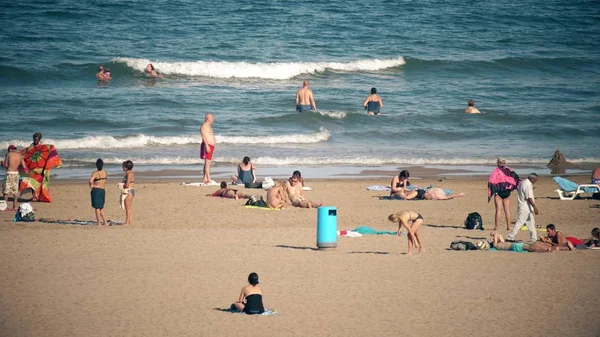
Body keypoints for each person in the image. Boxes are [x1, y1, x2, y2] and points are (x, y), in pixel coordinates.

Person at [488, 157, 520, 230]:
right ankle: (508, 226)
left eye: (497, 162)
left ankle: (496, 227)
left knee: (498, 210)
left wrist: (493, 192)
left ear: (499, 163)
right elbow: (516, 179)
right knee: (507, 210)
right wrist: (511, 188)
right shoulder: (510, 170)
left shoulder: (496, 171)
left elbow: (491, 182)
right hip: (507, 192)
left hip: (499, 192)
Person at [507, 173, 539, 242]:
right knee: (520, 222)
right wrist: (535, 207)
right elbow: (529, 198)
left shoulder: (523, 182)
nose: (535, 182)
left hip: (526, 207)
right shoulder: (527, 184)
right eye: (535, 180)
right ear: (532, 179)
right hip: (525, 207)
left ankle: (534, 238)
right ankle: (510, 237)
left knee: (531, 223)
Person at [2, 145, 28, 211]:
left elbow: (6, 165)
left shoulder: (8, 154)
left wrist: (2, 164)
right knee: (15, 191)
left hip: (9, 173)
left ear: (10, 149)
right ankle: (14, 207)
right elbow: (24, 166)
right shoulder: (20, 155)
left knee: (6, 191)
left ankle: (5, 206)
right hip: (16, 174)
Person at [488, 232, 558, 252]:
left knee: (532, 246)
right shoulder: (495, 245)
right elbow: (497, 234)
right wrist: (493, 234)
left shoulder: (500, 244)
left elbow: (499, 235)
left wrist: (494, 235)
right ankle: (546, 249)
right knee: (531, 247)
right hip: (515, 246)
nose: (494, 239)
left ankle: (547, 248)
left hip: (516, 245)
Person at [89, 158, 107, 226]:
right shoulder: (105, 172)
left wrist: (92, 185)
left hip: (96, 191)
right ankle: (105, 221)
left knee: (97, 207)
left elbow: (90, 181)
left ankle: (98, 222)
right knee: (101, 207)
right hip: (102, 190)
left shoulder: (95, 173)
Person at [200, 113, 215, 184]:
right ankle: (208, 179)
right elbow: (203, 136)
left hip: (210, 145)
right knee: (207, 163)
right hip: (207, 145)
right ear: (207, 118)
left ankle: (205, 178)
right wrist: (207, 146)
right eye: (212, 117)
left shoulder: (209, 126)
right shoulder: (204, 126)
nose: (213, 119)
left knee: (207, 163)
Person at [121, 160, 135, 225]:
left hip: (129, 191)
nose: (122, 168)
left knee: (127, 207)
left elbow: (127, 184)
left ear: (126, 167)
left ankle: (127, 222)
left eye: (123, 167)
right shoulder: (130, 173)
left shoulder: (129, 174)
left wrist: (121, 185)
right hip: (130, 190)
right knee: (129, 207)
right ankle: (129, 221)